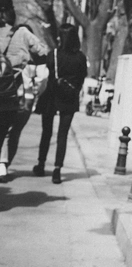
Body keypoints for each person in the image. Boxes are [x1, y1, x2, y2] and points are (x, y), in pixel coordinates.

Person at [0, 0, 49, 181]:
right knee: (7, 134)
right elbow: (43, 52)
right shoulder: (21, 33)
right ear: (5, 11)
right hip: (10, 98)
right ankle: (2, 166)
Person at [34, 23, 87, 184]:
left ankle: (41, 164)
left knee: (46, 132)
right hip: (69, 97)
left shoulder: (54, 54)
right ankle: (57, 170)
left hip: (51, 95)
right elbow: (81, 78)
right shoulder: (80, 57)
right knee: (62, 135)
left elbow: (48, 72)